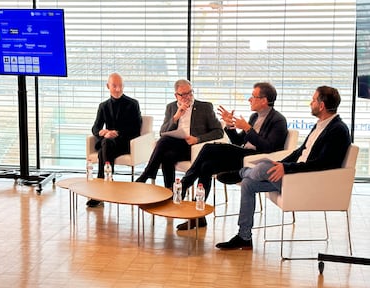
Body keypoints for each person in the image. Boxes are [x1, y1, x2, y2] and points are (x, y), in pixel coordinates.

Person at [215, 85, 351, 250]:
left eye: (314, 100)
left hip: (305, 181)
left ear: (321, 105)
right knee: (249, 183)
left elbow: (323, 164)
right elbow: (300, 152)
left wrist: (287, 169)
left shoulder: (338, 130)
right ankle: (244, 237)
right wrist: (282, 165)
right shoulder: (321, 125)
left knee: (259, 168)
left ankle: (242, 172)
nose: (310, 103)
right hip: (295, 175)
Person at [176, 82, 288, 230]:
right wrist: (230, 126)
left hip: (256, 161)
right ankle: (198, 215)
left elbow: (268, 148)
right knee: (206, 166)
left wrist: (248, 129)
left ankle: (183, 185)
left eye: (253, 96)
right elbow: (239, 141)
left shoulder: (278, 120)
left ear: (264, 100)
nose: (249, 99)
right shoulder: (255, 116)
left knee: (209, 147)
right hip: (243, 155)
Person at [136, 79, 224, 200]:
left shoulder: (205, 107)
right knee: (165, 147)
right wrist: (177, 116)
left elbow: (219, 132)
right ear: (176, 95)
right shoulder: (171, 107)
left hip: (195, 148)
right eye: (183, 94)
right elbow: (163, 132)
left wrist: (197, 139)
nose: (187, 97)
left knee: (164, 147)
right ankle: (170, 191)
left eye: (190, 93)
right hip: (178, 145)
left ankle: (148, 173)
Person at [87, 73, 142, 207]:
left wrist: (117, 133)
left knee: (103, 150)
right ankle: (106, 183)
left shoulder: (133, 104)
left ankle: (101, 187)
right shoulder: (103, 106)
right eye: (114, 86)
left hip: (125, 143)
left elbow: (136, 129)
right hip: (109, 144)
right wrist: (102, 132)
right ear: (108, 86)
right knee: (106, 143)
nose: (118, 89)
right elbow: (95, 127)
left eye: (120, 86)